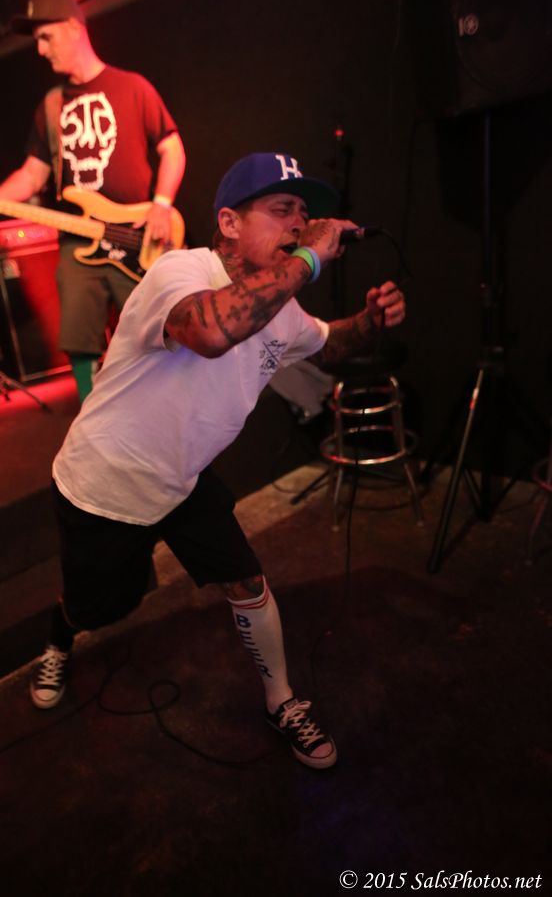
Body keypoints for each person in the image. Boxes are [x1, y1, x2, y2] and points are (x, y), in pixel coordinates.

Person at [31, 151, 406, 770]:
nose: (299, 223)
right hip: (105, 483)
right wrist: (310, 257)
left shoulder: (281, 308)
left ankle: (281, 701)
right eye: (281, 209)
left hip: (183, 480)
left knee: (248, 582)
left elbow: (329, 344)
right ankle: (58, 637)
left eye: (304, 214)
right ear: (229, 222)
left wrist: (369, 320)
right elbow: (209, 332)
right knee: (99, 608)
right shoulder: (180, 270)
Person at [0, 0, 186, 402]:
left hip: (137, 237)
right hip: (77, 240)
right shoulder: (50, 107)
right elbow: (31, 176)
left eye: (46, 37)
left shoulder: (132, 87)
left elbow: (172, 148)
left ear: (73, 28)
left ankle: (169, 405)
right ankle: (92, 413)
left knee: (155, 328)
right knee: (79, 338)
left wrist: (162, 203)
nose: (40, 49)